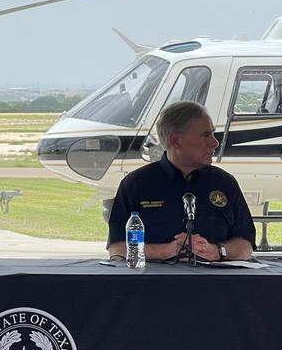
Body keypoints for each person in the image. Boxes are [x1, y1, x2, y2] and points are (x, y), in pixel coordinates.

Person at [106, 101, 256, 262]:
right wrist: (165, 251)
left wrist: (218, 251)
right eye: (206, 135)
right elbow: (118, 248)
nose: (215, 142)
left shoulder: (225, 183)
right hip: (153, 283)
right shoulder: (136, 184)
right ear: (176, 140)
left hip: (215, 284)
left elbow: (245, 244)